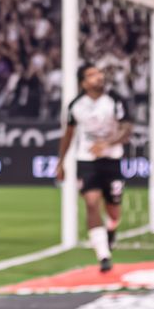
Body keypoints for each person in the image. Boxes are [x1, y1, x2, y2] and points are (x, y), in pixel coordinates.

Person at [56, 63, 132, 273]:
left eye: (99, 73)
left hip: (112, 159)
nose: (98, 77)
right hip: (86, 159)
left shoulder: (114, 100)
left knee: (113, 208)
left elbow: (127, 129)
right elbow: (68, 134)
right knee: (91, 203)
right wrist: (61, 162)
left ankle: (112, 228)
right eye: (92, 75)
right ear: (83, 83)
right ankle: (103, 255)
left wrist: (107, 144)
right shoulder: (76, 105)